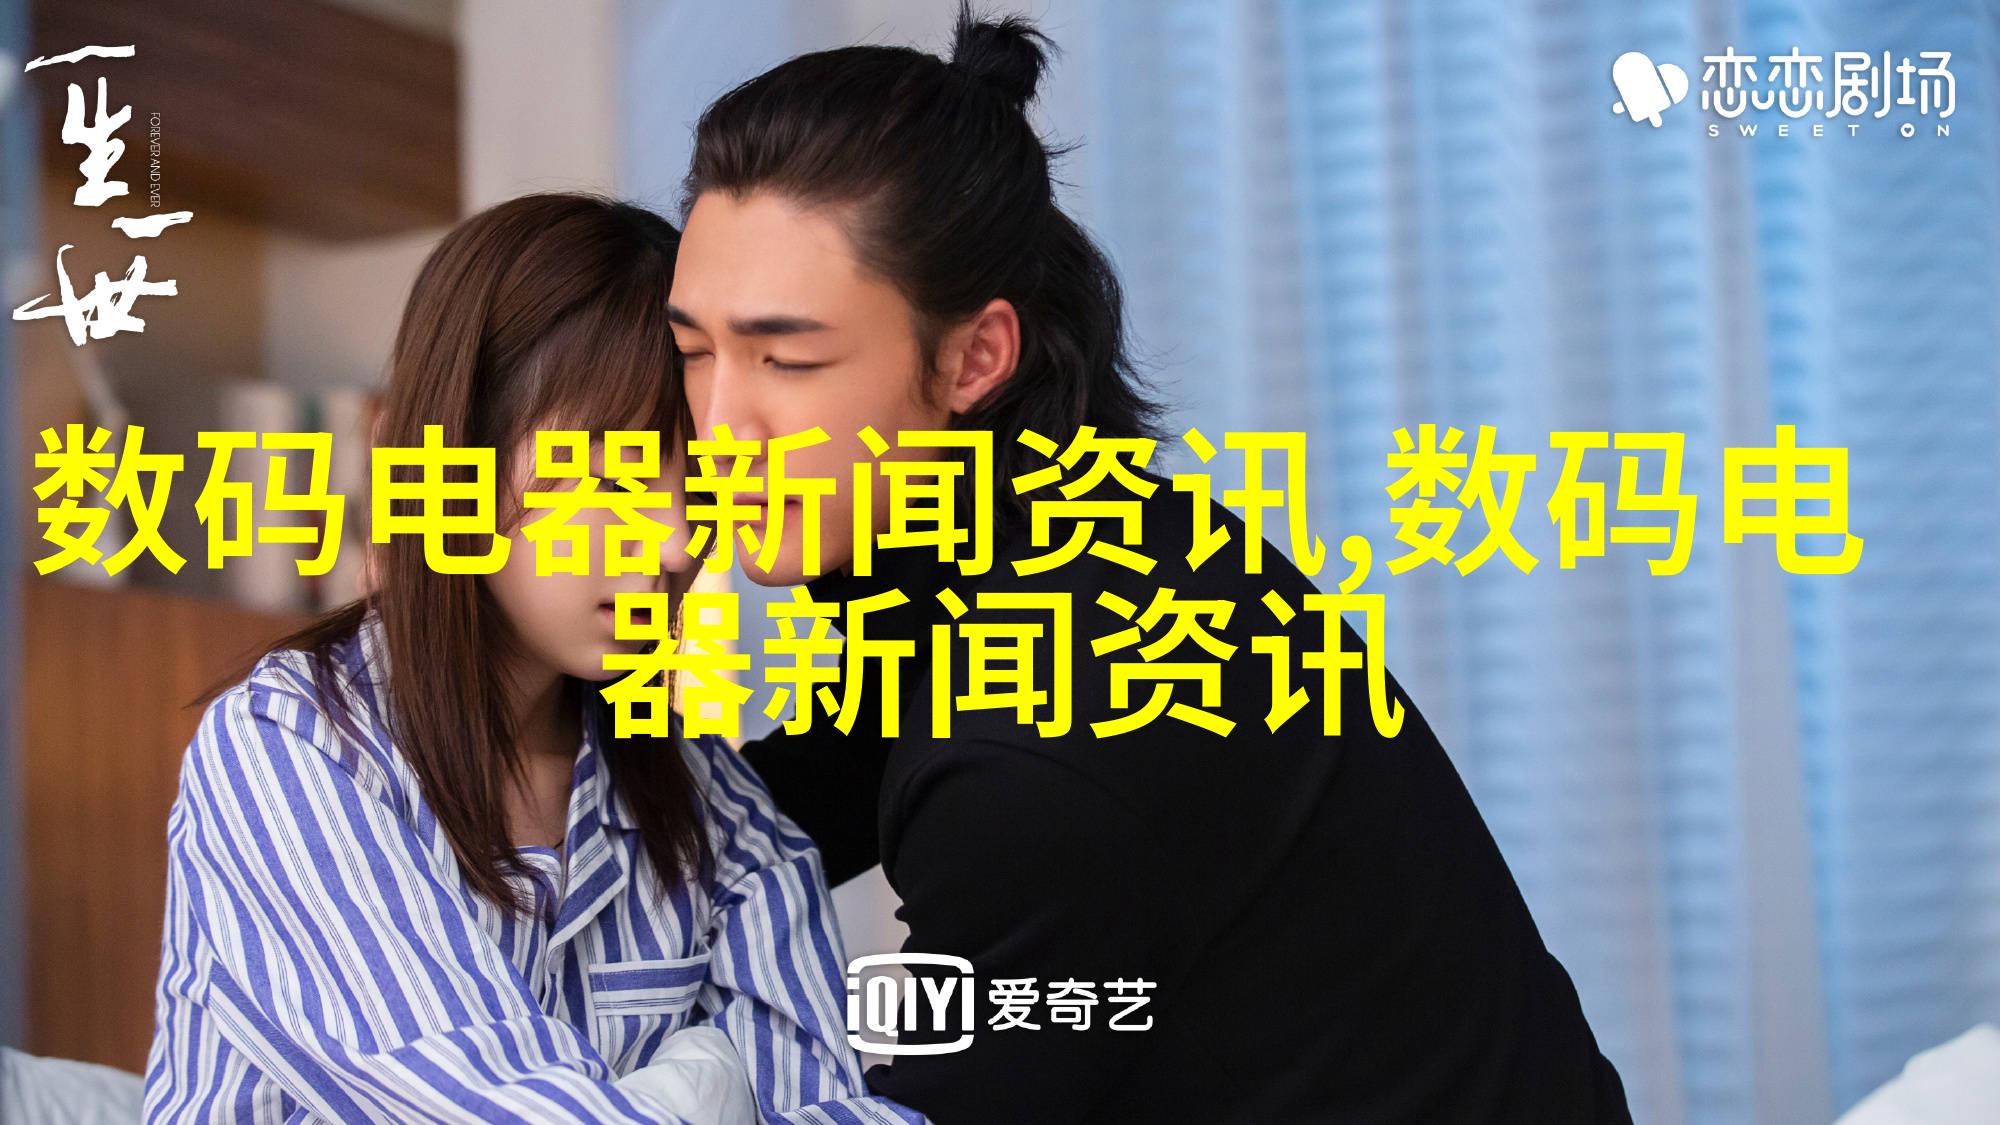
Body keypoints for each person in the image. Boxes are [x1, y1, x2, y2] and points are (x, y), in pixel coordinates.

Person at [666, 7, 1635, 1122]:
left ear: (975, 357)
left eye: (785, 360)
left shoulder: (1034, 744)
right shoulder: (1063, 538)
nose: (718, 426)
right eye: (692, 351)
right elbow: (818, 780)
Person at [142, 193, 919, 1125]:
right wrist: (708, 1084)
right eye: (620, 477)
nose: (680, 542)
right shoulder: (292, 752)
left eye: (705, 484)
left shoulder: (717, 810)